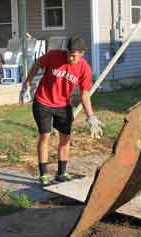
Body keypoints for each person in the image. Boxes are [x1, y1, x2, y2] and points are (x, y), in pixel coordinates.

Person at [20, 37, 103, 186]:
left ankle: (61, 173)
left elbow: (85, 94)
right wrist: (27, 83)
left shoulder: (85, 69)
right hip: (43, 101)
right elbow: (37, 64)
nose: (70, 58)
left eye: (74, 55)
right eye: (69, 54)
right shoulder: (53, 56)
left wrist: (91, 116)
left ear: (82, 53)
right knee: (45, 135)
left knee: (65, 138)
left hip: (63, 105)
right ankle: (44, 174)